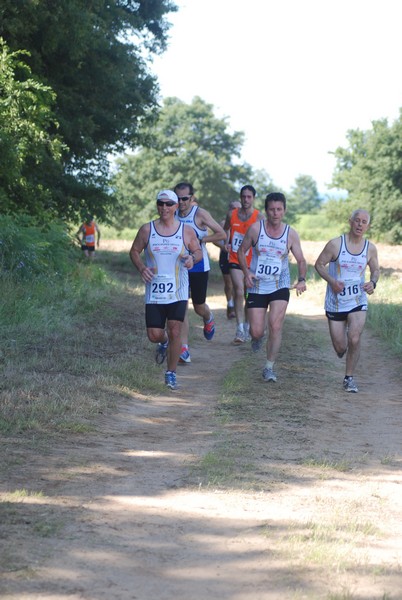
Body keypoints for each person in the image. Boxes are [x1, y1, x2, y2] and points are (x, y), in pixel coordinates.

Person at [129, 190, 202, 390]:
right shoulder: (147, 230)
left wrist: (191, 259)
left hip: (178, 290)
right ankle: (165, 341)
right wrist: (142, 268)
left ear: (176, 206)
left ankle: (171, 373)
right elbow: (134, 251)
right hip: (155, 292)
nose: (164, 208)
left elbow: (198, 252)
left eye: (169, 204)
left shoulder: (186, 231)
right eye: (160, 204)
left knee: (176, 328)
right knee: (154, 334)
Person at [238, 192, 307, 382]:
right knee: (256, 331)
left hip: (280, 285)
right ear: (266, 210)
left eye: (279, 209)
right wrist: (246, 272)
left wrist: (301, 279)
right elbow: (241, 251)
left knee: (275, 326)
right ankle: (257, 337)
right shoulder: (255, 229)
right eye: (271, 209)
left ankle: (269, 367)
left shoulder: (290, 234)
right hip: (257, 284)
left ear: (284, 211)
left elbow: (301, 260)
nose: (275, 213)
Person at [314, 209, 380, 393]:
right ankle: (343, 351)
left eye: (364, 222)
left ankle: (349, 378)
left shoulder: (370, 248)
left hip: (358, 300)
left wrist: (373, 282)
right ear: (350, 221)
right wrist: (332, 281)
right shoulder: (335, 244)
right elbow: (319, 264)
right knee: (340, 347)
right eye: (357, 220)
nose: (360, 224)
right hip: (335, 302)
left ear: (368, 226)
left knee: (355, 337)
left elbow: (375, 270)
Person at [174, 182, 226, 364]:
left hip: (198, 265)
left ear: (192, 198)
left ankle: (208, 316)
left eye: (184, 198)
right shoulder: (171, 213)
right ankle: (184, 349)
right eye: (178, 198)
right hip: (178, 266)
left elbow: (222, 235)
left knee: (198, 306)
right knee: (181, 307)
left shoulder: (200, 214)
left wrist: (202, 238)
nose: (181, 202)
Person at [223, 185, 264, 344]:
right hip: (234, 259)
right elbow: (226, 229)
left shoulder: (259, 217)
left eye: (249, 197)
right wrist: (227, 241)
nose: (246, 200)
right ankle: (239, 329)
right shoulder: (231, 214)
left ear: (253, 198)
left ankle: (247, 326)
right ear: (240, 198)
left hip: (251, 263)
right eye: (243, 197)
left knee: (248, 294)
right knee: (239, 291)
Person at [215, 200, 241, 319]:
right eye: (233, 208)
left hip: (239, 256)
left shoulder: (244, 223)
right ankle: (230, 304)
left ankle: (236, 307)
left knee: (238, 284)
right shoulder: (223, 223)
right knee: (229, 283)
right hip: (226, 256)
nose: (236, 211)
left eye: (238, 208)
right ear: (229, 210)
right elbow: (215, 239)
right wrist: (224, 247)